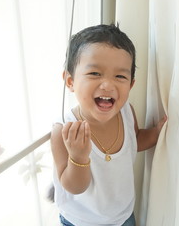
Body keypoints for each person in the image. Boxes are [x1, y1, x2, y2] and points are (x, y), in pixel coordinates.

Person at [51, 24, 167, 226]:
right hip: (80, 221)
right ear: (70, 81)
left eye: (120, 76)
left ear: (131, 84)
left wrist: (158, 132)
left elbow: (135, 140)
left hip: (122, 215)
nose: (108, 85)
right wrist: (78, 156)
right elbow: (74, 187)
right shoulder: (64, 131)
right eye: (95, 73)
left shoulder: (126, 112)